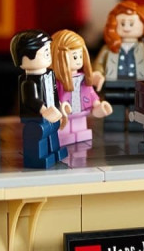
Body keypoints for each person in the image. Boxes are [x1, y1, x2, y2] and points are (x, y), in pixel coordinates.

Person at [10, 30, 70, 169]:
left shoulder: (49, 75)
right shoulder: (28, 82)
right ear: (25, 57)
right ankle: (38, 157)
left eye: (49, 50)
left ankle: (53, 151)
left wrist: (59, 106)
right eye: (45, 52)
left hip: (51, 113)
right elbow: (31, 100)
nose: (49, 54)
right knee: (39, 133)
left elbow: (53, 93)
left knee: (53, 130)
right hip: (35, 117)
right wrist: (44, 110)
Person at [94, 1, 144, 129]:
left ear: (143, 25)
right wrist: (98, 73)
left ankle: (137, 127)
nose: (126, 27)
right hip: (114, 84)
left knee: (137, 109)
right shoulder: (109, 48)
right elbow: (99, 64)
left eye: (131, 23)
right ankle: (114, 126)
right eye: (122, 23)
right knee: (114, 109)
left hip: (138, 85)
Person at [51, 30, 111, 145]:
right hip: (64, 116)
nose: (79, 60)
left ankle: (79, 135)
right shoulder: (57, 81)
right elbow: (53, 97)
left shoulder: (83, 78)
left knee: (81, 131)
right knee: (64, 131)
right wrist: (59, 107)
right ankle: (63, 136)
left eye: (80, 56)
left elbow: (90, 93)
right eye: (75, 57)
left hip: (81, 113)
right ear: (58, 56)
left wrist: (98, 105)